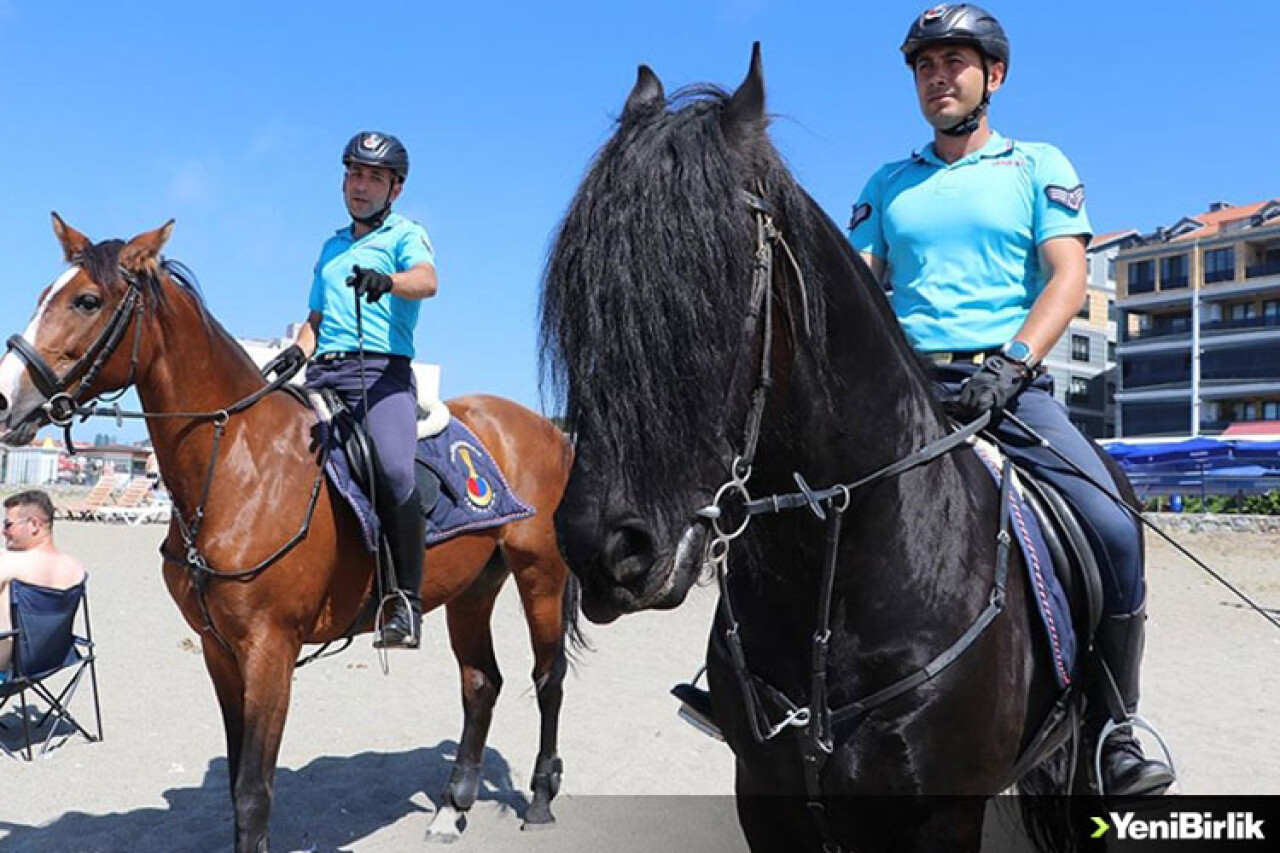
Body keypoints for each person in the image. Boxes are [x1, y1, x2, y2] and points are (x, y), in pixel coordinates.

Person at [844, 4, 1174, 797]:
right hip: (907, 390)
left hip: (1008, 386)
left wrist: (1013, 362)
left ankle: (1111, 728)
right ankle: (741, 682)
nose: (937, 77)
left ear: (993, 75)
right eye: (924, 65)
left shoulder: (1037, 165)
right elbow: (857, 289)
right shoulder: (888, 182)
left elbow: (1066, 275)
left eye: (954, 62)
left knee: (1111, 525)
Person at [269, 131, 439, 649]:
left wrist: (388, 282)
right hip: (322, 374)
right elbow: (316, 317)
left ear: (395, 188)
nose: (360, 185)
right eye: (353, 174)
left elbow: (427, 280)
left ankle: (405, 603)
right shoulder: (331, 246)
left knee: (391, 468)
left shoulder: (406, 234)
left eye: (373, 177)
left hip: (380, 376)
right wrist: (299, 349)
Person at [0, 490, 87, 673]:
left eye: (8, 525)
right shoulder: (76, 569)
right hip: (51, 662)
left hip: (9, 666)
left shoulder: (9, 564)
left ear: (34, 525)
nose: (3, 532)